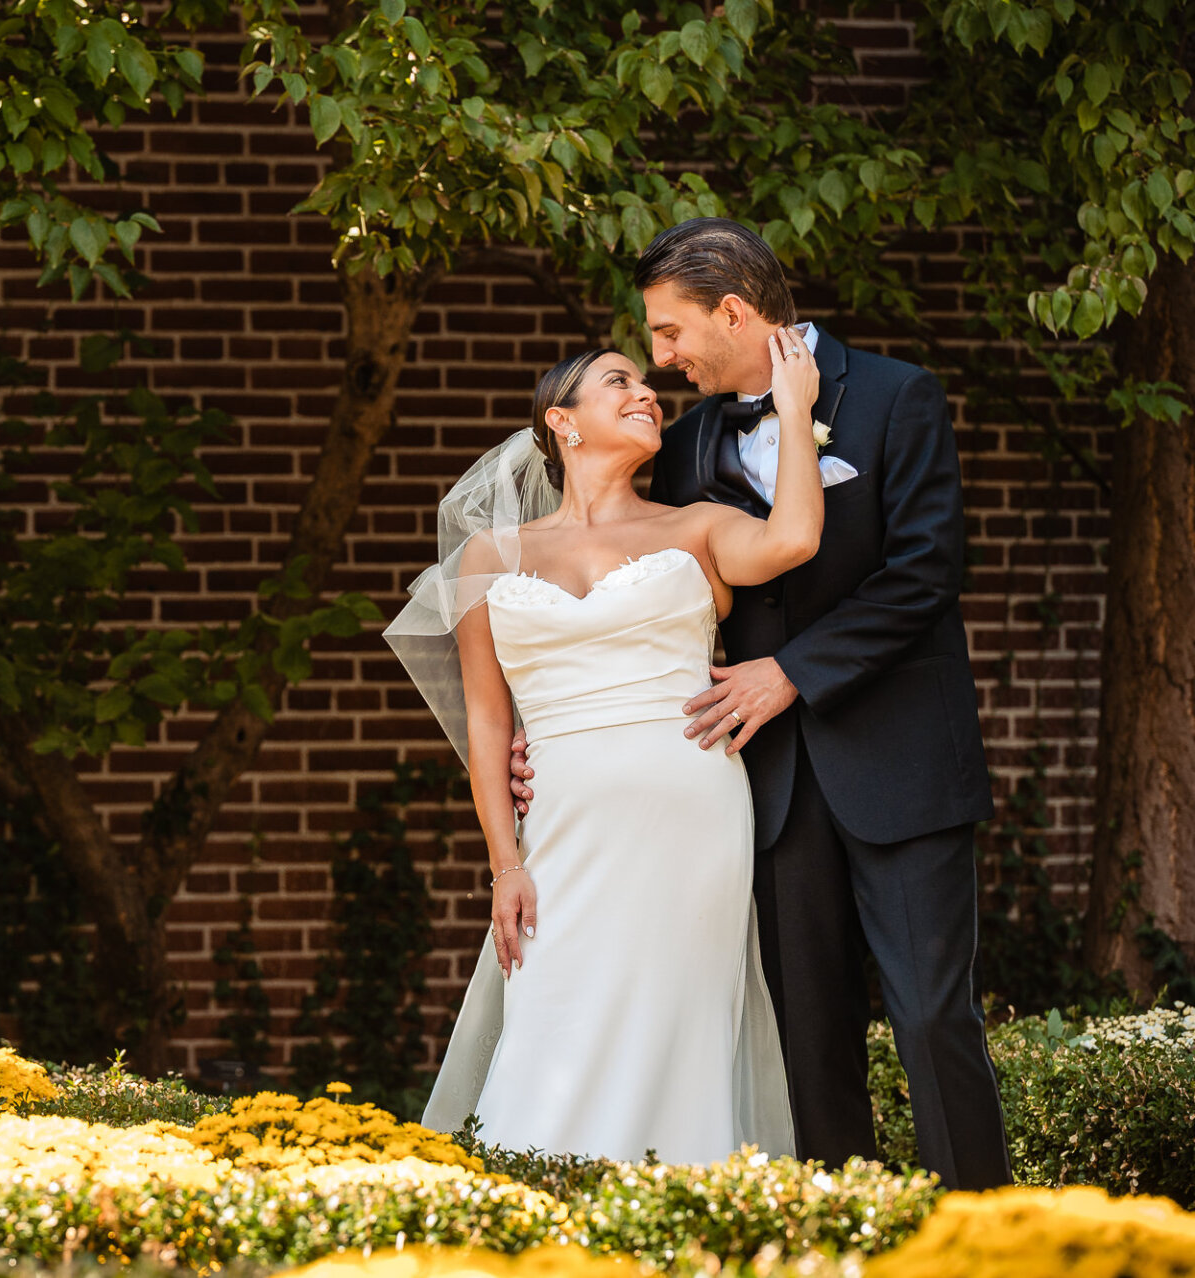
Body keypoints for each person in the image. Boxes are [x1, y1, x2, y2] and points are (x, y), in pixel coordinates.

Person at [509, 218, 1013, 1189]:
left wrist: (794, 671)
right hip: (761, 786)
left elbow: (926, 572)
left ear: (732, 312)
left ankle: (985, 1237)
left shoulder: (898, 397)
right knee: (805, 1031)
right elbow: (638, 587)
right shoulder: (689, 439)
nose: (660, 360)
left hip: (901, 763)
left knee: (931, 1014)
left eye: (667, 333)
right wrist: (554, 721)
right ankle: (840, 1234)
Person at [386, 323, 823, 1162]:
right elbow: (488, 720)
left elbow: (794, 539)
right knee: (551, 1021)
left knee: (677, 1028)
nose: (647, 393)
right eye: (620, 382)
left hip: (691, 816)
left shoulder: (697, 527)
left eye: (648, 385)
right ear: (563, 420)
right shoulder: (491, 553)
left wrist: (796, 410)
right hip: (561, 832)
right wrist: (503, 861)